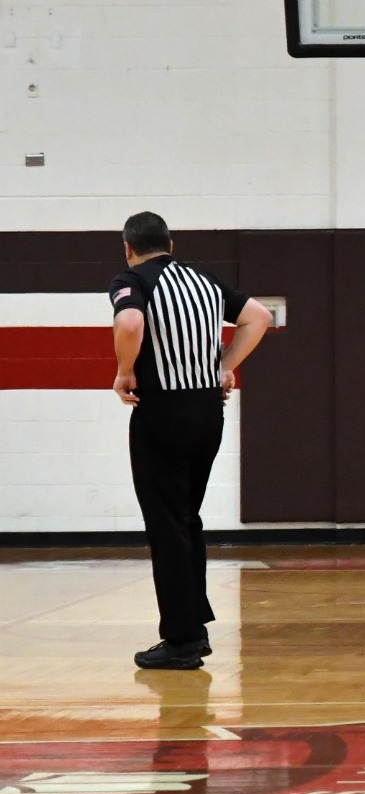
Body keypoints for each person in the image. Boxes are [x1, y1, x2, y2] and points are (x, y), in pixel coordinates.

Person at [109, 212, 272, 670]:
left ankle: (180, 640)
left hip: (162, 412)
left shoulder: (131, 278)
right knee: (186, 519)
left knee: (167, 524)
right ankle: (192, 630)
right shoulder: (203, 280)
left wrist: (124, 371)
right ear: (171, 244)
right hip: (208, 413)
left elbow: (129, 325)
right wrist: (225, 364)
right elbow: (259, 317)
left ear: (128, 246)